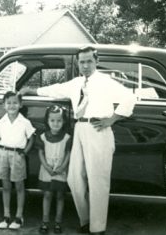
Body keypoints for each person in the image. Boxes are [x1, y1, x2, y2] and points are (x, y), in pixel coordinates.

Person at [20, 46, 136, 235]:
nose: (85, 65)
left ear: (96, 61)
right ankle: (86, 220)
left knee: (98, 180)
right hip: (80, 128)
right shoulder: (77, 83)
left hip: (99, 129)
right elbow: (54, 90)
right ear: (78, 63)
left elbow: (129, 98)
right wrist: (29, 90)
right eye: (82, 61)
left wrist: (112, 119)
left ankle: (98, 229)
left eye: (89, 61)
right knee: (74, 178)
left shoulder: (105, 82)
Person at [0, 91, 36, 230]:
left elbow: (32, 138)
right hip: (3, 154)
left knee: (19, 186)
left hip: (17, 155)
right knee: (5, 186)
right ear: (4, 105)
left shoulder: (24, 122)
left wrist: (25, 152)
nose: (12, 105)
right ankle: (6, 215)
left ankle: (19, 216)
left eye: (15, 102)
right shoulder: (1, 122)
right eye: (9, 103)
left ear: (20, 104)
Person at [36, 105, 71, 234]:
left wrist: (62, 167)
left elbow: (68, 154)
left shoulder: (67, 137)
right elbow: (40, 153)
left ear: (64, 121)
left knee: (60, 195)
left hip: (61, 171)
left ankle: (58, 222)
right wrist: (46, 166)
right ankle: (45, 221)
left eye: (59, 120)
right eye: (52, 120)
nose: (56, 124)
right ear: (47, 121)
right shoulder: (43, 137)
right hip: (47, 170)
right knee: (47, 194)